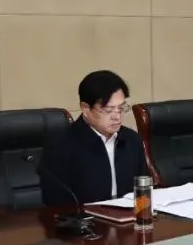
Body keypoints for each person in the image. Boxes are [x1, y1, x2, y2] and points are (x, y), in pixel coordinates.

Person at [40, 70, 150, 206]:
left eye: (121, 108)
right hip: (84, 218)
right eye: (108, 110)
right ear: (85, 108)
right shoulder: (60, 146)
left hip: (129, 217)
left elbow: (143, 191)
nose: (117, 116)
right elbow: (56, 203)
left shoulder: (132, 140)